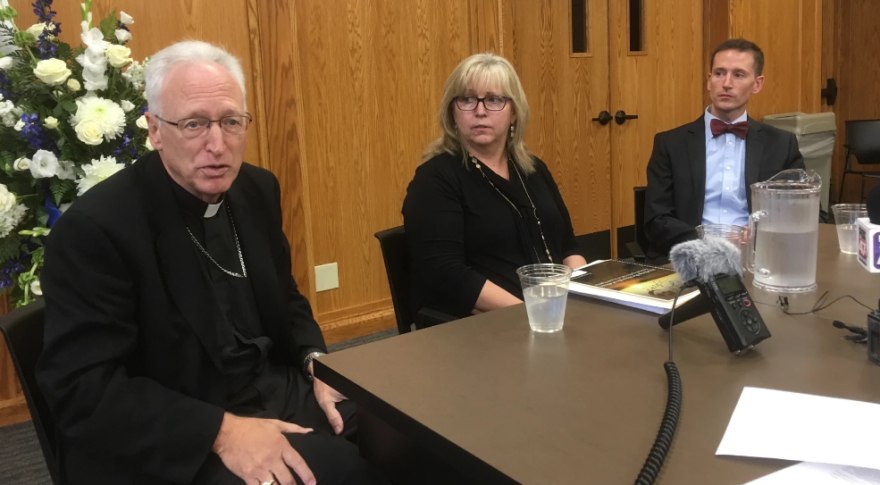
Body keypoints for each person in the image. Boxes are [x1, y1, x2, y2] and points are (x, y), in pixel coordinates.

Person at [35, 41, 388, 485]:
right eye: (194, 124)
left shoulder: (256, 189)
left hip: (273, 387)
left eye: (230, 122)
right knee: (342, 472)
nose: (217, 145)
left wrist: (315, 361)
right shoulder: (97, 229)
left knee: (410, 435)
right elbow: (83, 389)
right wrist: (220, 432)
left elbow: (286, 298)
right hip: (182, 426)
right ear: (155, 129)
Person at [402, 53, 587, 320]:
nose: (480, 111)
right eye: (467, 99)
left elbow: (568, 246)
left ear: (514, 113)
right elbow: (447, 274)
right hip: (479, 325)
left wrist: (583, 297)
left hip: (548, 313)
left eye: (493, 99)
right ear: (453, 113)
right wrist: (533, 313)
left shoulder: (533, 169)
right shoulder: (435, 179)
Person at [644, 38, 805, 263]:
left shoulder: (781, 144)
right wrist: (709, 241)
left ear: (757, 84)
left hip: (758, 258)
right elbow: (656, 220)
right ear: (709, 81)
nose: (726, 83)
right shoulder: (670, 143)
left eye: (738, 75)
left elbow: (804, 211)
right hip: (691, 257)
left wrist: (763, 233)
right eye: (719, 73)